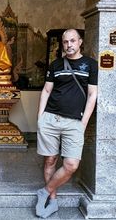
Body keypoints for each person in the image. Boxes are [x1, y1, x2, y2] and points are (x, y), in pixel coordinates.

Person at [36, 29, 98, 218]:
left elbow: (92, 94)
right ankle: (52, 200)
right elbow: (46, 91)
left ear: (80, 42)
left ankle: (44, 191)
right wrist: (40, 118)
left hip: (75, 123)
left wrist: (83, 123)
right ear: (62, 44)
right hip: (51, 118)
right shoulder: (55, 65)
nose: (69, 45)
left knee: (71, 165)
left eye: (72, 41)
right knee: (50, 160)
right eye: (65, 42)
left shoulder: (90, 65)